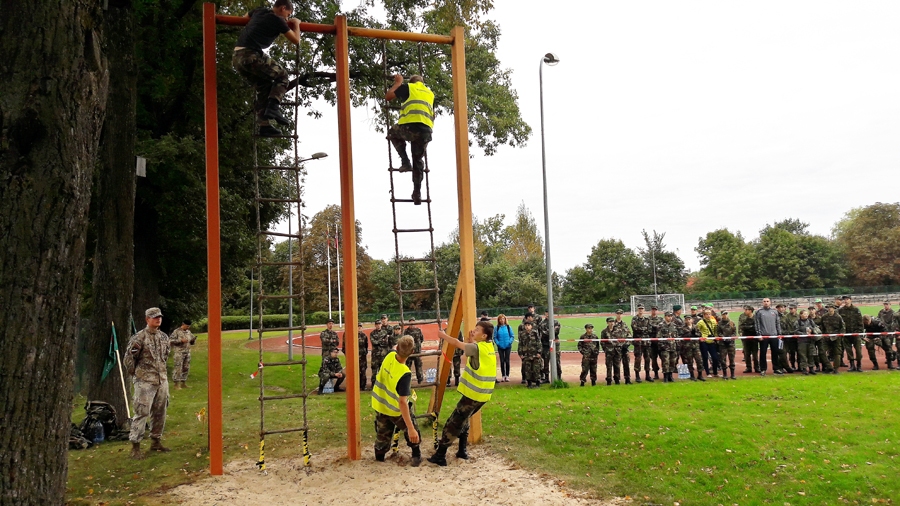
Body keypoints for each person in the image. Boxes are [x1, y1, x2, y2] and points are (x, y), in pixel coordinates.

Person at [428, 321, 496, 466]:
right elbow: (473, 352)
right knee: (464, 420)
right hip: (483, 395)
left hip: (473, 394)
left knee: (453, 423)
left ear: (484, 335)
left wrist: (443, 335)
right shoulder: (488, 346)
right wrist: (472, 339)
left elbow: (457, 343)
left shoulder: (477, 347)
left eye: (477, 330)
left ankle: (440, 455)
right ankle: (462, 451)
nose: (474, 330)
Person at [232, 0, 301, 137]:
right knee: (282, 75)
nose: (288, 18)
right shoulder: (278, 20)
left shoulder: (260, 11)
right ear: (283, 8)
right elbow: (296, 40)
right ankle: (274, 108)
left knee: (264, 86)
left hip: (237, 59)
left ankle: (264, 126)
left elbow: (245, 18)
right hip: (250, 55)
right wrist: (297, 24)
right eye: (288, 14)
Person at [126, 307, 172, 460]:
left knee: (160, 411)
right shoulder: (139, 338)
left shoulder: (164, 337)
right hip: (145, 381)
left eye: (159, 317)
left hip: (161, 380)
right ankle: (135, 446)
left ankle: (156, 441)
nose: (157, 319)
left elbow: (166, 355)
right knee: (141, 412)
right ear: (147, 319)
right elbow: (129, 360)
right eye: (154, 317)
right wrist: (138, 375)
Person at [371, 335, 422, 466]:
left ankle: (380, 457)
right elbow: (402, 402)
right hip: (395, 409)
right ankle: (416, 455)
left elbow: (395, 348)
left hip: (381, 405)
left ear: (397, 348)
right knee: (413, 430)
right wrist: (410, 428)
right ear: (412, 352)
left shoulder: (389, 355)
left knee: (382, 435)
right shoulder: (404, 373)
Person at [384, 74, 435, 205]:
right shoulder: (430, 93)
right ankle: (417, 193)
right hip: (426, 132)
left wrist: (398, 82)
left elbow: (388, 96)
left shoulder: (409, 87)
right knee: (418, 160)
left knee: (392, 134)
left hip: (410, 127)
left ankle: (405, 161)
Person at [754, 298, 782, 377]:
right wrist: (759, 334)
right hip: (764, 336)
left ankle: (776, 368)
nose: (766, 303)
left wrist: (779, 334)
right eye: (764, 301)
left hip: (774, 335)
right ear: (762, 303)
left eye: (767, 301)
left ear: (770, 302)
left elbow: (778, 323)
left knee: (775, 352)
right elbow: (757, 324)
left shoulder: (775, 312)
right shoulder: (759, 312)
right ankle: (763, 369)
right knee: (763, 353)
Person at [837, 295, 864, 372]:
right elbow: (839, 322)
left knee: (858, 351)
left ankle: (859, 365)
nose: (846, 301)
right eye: (844, 299)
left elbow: (860, 322)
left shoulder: (856, 310)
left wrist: (859, 332)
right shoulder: (841, 310)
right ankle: (852, 365)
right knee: (849, 351)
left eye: (847, 299)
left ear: (850, 300)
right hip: (846, 334)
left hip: (856, 333)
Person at [169, 319, 196, 389]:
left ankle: (183, 383)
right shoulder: (176, 331)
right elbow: (170, 340)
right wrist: (180, 340)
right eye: (187, 326)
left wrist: (193, 340)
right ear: (183, 324)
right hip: (179, 352)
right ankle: (176, 384)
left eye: (189, 326)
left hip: (187, 352)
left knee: (186, 368)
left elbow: (191, 342)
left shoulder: (188, 332)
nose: (188, 328)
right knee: (178, 367)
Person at [343, 322, 369, 389]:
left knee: (363, 371)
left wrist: (364, 353)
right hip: (353, 357)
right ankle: (353, 386)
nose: (359, 328)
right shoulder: (350, 335)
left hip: (362, 357)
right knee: (353, 371)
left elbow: (366, 346)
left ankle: (362, 386)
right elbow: (344, 346)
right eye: (358, 326)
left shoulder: (364, 335)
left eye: (360, 326)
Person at [819, 305, 844, 374]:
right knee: (822, 352)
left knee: (837, 353)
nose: (830, 309)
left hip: (836, 338)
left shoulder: (838, 317)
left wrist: (840, 336)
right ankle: (829, 367)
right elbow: (822, 327)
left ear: (834, 309)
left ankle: (836, 369)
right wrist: (823, 335)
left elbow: (842, 327)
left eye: (831, 308)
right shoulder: (824, 317)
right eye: (828, 308)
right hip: (826, 338)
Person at [796, 310, 822, 375]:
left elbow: (815, 327)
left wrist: (812, 330)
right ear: (801, 315)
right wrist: (804, 334)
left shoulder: (810, 321)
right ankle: (804, 369)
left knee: (811, 355)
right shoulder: (798, 322)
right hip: (802, 341)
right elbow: (796, 331)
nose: (806, 315)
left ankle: (811, 368)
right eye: (804, 314)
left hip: (810, 341)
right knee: (803, 355)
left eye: (807, 314)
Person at [631, 305, 653, 383]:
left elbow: (650, 329)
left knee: (647, 359)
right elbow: (635, 328)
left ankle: (648, 375)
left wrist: (642, 329)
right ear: (638, 309)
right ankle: (637, 376)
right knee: (638, 359)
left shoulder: (647, 319)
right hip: (638, 343)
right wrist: (644, 329)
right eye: (639, 309)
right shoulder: (634, 319)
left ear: (644, 310)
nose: (641, 310)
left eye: (642, 309)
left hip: (646, 342)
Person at [519, 320, 542, 389]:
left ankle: (537, 383)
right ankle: (529, 383)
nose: (527, 327)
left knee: (536, 369)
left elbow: (539, 343)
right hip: (527, 354)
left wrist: (539, 352)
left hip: (535, 354)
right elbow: (520, 345)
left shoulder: (535, 333)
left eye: (528, 325)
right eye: (526, 325)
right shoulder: (522, 334)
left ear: (531, 326)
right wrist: (520, 354)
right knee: (527, 369)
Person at [696, 309, 719, 378]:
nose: (708, 315)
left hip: (712, 341)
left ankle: (715, 372)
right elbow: (696, 330)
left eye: (709, 314)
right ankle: (707, 373)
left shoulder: (713, 321)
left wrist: (716, 338)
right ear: (704, 315)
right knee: (705, 357)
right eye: (706, 314)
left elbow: (715, 331)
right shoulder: (700, 322)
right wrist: (701, 337)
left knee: (715, 358)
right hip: (704, 342)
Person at [657, 311, 679, 383]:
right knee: (665, 362)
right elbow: (658, 337)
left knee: (673, 362)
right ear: (665, 317)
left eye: (671, 316)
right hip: (665, 347)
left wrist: (677, 345)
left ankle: (670, 375)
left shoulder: (674, 325)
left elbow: (676, 336)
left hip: (673, 346)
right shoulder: (660, 325)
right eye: (668, 316)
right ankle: (665, 377)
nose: (670, 317)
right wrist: (662, 346)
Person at [681, 316, 705, 381]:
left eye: (689, 319)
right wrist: (690, 334)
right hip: (688, 347)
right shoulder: (683, 328)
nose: (688, 321)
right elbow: (682, 336)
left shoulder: (695, 326)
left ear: (692, 320)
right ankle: (692, 375)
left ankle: (700, 375)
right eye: (686, 320)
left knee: (699, 360)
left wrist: (695, 334)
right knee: (690, 361)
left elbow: (700, 334)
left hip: (696, 346)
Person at [612, 309, 632, 385]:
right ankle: (617, 379)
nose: (619, 315)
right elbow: (610, 336)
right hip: (616, 348)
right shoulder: (612, 324)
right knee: (617, 364)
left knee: (626, 363)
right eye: (618, 314)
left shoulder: (625, 324)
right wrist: (616, 345)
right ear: (616, 314)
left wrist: (627, 344)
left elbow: (629, 335)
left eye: (620, 314)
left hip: (625, 348)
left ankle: (627, 379)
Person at [600, 318, 622, 385]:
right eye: (610, 322)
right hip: (609, 352)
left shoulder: (618, 330)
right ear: (607, 323)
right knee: (609, 366)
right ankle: (609, 380)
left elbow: (621, 339)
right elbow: (602, 342)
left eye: (612, 322)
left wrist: (619, 347)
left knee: (617, 366)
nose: (611, 323)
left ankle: (617, 379)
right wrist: (606, 349)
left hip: (617, 351)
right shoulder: (604, 331)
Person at [403, 318, 426, 384]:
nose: (412, 325)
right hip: (409, 352)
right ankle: (407, 380)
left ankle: (420, 379)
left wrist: (417, 346)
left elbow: (421, 339)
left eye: (413, 323)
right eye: (410, 323)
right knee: (407, 366)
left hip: (417, 351)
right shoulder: (406, 331)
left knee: (418, 366)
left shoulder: (418, 330)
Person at [716, 311, 738, 379]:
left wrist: (730, 338)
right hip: (723, 344)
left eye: (726, 314)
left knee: (732, 359)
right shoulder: (719, 323)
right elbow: (719, 332)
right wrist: (724, 338)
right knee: (723, 359)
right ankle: (725, 374)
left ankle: (732, 374)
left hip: (731, 344)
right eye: (723, 314)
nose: (725, 315)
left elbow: (734, 332)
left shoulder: (732, 322)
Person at [494, 314, 515, 382]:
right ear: (499, 320)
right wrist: (498, 343)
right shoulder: (496, 328)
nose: (502, 320)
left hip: (507, 346)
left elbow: (512, 336)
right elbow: (495, 337)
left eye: (503, 319)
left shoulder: (508, 327)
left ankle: (507, 375)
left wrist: (509, 342)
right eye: (500, 319)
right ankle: (503, 375)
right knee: (502, 361)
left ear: (505, 319)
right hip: (500, 346)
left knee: (507, 361)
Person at [738, 306, 759, 373]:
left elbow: (757, 327)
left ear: (750, 310)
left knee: (755, 354)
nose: (745, 311)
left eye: (747, 310)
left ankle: (757, 367)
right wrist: (741, 332)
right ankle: (748, 367)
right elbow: (741, 325)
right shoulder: (742, 316)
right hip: (746, 336)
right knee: (747, 354)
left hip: (754, 337)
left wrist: (749, 327)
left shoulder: (756, 317)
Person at [517, 313, 536, 384]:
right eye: (531, 317)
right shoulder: (521, 326)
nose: (532, 318)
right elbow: (520, 338)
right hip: (525, 348)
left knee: (534, 364)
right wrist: (521, 352)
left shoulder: (534, 326)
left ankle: (534, 378)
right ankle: (524, 377)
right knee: (525, 364)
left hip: (533, 348)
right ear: (527, 317)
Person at [647, 306, 664, 380]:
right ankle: (656, 373)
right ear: (651, 311)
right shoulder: (647, 319)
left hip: (659, 342)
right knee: (653, 358)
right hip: (651, 342)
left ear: (657, 311)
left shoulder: (660, 319)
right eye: (653, 310)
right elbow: (647, 329)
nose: (654, 311)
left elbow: (662, 328)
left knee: (663, 357)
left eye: (655, 310)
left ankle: (665, 373)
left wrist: (655, 327)